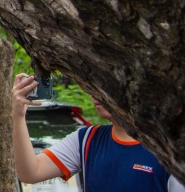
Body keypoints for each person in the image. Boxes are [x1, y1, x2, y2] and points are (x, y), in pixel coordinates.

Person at [12, 72, 184, 192]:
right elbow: (30, 172)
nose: (95, 95)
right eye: (91, 87)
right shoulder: (86, 139)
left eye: (104, 86)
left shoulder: (168, 150)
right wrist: (18, 115)